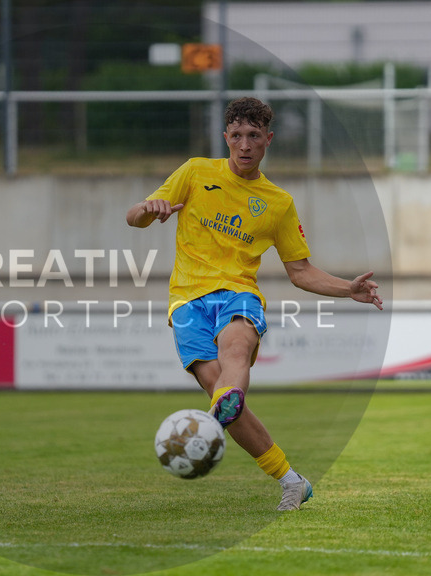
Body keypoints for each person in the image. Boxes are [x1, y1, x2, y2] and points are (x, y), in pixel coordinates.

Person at [126, 97, 383, 512]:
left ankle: (214, 418)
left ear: (268, 139)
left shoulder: (278, 202)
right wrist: (146, 208)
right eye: (237, 136)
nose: (244, 145)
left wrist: (346, 289)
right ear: (226, 137)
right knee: (220, 389)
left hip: (238, 294)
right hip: (186, 301)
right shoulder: (195, 172)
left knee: (235, 352)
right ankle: (291, 480)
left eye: (253, 136)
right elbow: (133, 218)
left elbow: (300, 271)